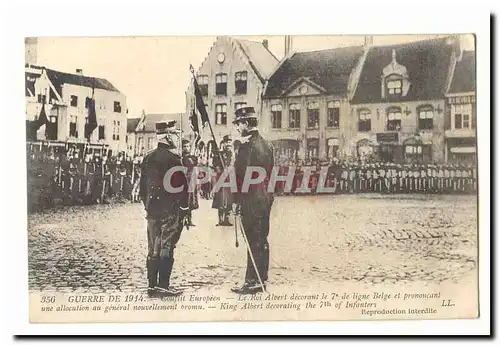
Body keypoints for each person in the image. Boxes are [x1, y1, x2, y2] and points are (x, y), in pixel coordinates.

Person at [139, 121, 189, 297]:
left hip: (152, 210)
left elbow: (142, 187)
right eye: (174, 134)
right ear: (168, 136)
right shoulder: (174, 160)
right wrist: (184, 208)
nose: (176, 137)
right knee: (166, 246)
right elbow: (182, 188)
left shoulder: (148, 158)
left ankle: (151, 286)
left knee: (153, 247)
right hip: (169, 210)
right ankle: (163, 286)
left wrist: (148, 205)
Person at [231, 106, 274, 294]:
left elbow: (240, 177)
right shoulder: (267, 145)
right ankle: (261, 278)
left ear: (246, 124)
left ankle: (251, 281)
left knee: (251, 239)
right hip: (264, 198)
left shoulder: (245, 147)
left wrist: (235, 200)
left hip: (250, 200)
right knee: (261, 238)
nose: (237, 128)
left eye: (239, 124)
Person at [211, 135, 234, 226]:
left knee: (228, 199)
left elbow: (233, 165)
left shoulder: (232, 154)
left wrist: (229, 170)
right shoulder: (219, 154)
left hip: (229, 178)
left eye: (229, 142)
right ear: (223, 143)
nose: (228, 144)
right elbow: (215, 165)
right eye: (227, 142)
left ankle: (227, 219)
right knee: (221, 199)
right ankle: (220, 220)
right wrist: (220, 171)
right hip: (221, 178)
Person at [181, 139, 199, 227]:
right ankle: (183, 218)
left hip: (191, 180)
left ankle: (189, 219)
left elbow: (193, 163)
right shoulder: (180, 158)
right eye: (184, 146)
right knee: (184, 200)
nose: (186, 148)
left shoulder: (192, 157)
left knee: (191, 200)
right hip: (183, 181)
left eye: (188, 146)